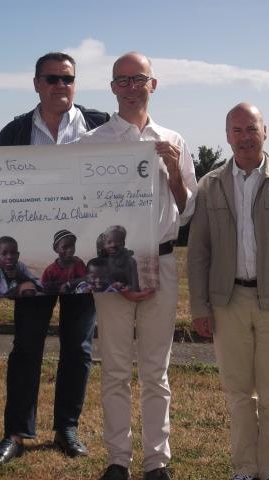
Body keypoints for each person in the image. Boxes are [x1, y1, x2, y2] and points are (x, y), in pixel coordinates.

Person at [0, 52, 109, 467]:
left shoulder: (100, 125)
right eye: (52, 79)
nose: (61, 86)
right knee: (27, 347)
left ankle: (66, 428)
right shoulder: (16, 130)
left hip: (83, 259)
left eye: (68, 79)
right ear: (36, 83)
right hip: (33, 263)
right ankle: (16, 432)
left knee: (79, 346)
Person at [79, 52, 198, 480]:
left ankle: (156, 461)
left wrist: (172, 172)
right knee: (113, 366)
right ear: (112, 88)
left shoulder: (174, 140)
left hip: (163, 261)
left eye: (139, 79)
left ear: (153, 84)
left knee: (155, 370)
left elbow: (187, 211)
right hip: (111, 267)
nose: (131, 88)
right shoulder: (92, 143)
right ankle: (117, 460)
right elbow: (78, 206)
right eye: (123, 81)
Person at [187, 102, 269, 480]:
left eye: (251, 129)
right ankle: (244, 468)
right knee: (238, 395)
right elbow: (198, 254)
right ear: (227, 136)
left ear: (265, 132)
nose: (244, 137)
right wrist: (200, 308)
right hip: (227, 304)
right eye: (236, 130)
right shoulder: (210, 185)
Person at [0, 236, 41, 300]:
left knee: (29, 289)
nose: (9, 257)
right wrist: (9, 295)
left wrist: (21, 276)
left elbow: (39, 285)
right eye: (4, 254)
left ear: (18, 255)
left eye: (13, 253)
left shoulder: (20, 266)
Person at [40, 229, 87, 294]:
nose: (70, 250)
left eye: (72, 246)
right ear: (56, 249)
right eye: (65, 247)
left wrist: (69, 284)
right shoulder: (50, 270)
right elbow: (43, 287)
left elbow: (86, 278)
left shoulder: (78, 263)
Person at [101, 225, 139, 292]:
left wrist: (128, 288)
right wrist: (112, 286)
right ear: (104, 244)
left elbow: (135, 287)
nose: (113, 245)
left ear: (123, 243)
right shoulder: (101, 261)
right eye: (109, 242)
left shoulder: (130, 261)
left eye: (118, 242)